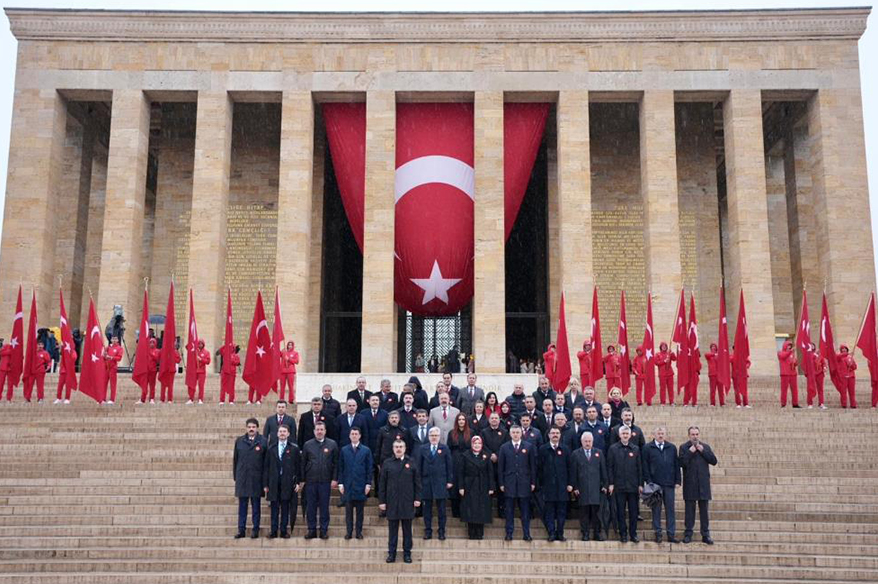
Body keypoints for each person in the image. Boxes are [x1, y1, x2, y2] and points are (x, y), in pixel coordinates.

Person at [379, 439, 420, 563]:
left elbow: (417, 483)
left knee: (407, 531)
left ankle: (407, 553)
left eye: (401, 446)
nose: (398, 449)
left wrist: (417, 498)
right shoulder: (387, 463)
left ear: (405, 448)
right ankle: (392, 554)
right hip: (392, 501)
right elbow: (382, 484)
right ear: (393, 449)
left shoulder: (411, 462)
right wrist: (382, 501)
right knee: (393, 531)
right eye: (396, 446)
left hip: (407, 501)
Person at [642, 426, 681, 543]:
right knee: (656, 510)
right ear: (654, 435)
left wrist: (678, 480)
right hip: (655, 485)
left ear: (665, 435)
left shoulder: (672, 447)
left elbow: (676, 465)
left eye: (662, 433)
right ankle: (658, 533)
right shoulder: (647, 448)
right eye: (658, 433)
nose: (660, 435)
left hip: (669, 484)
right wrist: (648, 481)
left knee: (670, 509)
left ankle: (671, 534)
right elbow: (645, 465)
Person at [679, 426, 717, 544]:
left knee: (704, 511)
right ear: (689, 435)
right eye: (692, 434)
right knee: (689, 511)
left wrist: (702, 451)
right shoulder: (684, 447)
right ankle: (688, 534)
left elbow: (713, 461)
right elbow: (681, 463)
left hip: (703, 483)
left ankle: (705, 534)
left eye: (696, 434)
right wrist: (690, 452)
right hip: (690, 483)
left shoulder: (705, 446)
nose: (695, 436)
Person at [300, 421, 338, 540]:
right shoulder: (307, 445)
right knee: (310, 506)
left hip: (325, 481)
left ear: (325, 431)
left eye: (322, 429)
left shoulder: (332, 444)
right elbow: (303, 463)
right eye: (317, 429)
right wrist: (302, 479)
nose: (319, 431)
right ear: (314, 431)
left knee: (324, 507)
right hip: (310, 481)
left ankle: (323, 530)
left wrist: (334, 478)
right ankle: (311, 529)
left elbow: (336, 463)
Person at [498, 425, 536, 541]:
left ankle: (526, 533)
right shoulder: (504, 447)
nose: (515, 434)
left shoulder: (528, 447)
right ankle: (509, 533)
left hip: (524, 483)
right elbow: (500, 467)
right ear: (510, 434)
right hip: (509, 483)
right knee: (509, 511)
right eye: (513, 432)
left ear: (521, 434)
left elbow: (533, 466)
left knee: (525, 511)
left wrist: (533, 482)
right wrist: (501, 483)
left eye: (517, 432)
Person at [263, 424, 301, 539]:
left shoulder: (294, 448)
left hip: (287, 482)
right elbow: (266, 467)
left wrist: (298, 482)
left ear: (288, 434)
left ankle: (284, 530)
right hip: (274, 482)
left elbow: (298, 467)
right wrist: (265, 484)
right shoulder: (271, 448)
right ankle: (273, 530)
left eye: (285, 431)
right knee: (274, 508)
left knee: (285, 507)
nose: (282, 433)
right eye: (280, 431)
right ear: (277, 433)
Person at [607, 425, 643, 543]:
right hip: (619, 486)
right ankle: (623, 534)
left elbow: (639, 468)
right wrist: (611, 483)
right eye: (623, 434)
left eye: (627, 434)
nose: (625, 436)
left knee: (633, 512)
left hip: (633, 486)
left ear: (630, 435)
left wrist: (640, 484)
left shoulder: (636, 449)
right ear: (620, 435)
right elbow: (610, 467)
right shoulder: (613, 448)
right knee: (621, 512)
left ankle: (633, 534)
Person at [233, 418, 267, 539]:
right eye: (249, 427)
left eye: (253, 427)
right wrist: (236, 477)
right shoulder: (239, 441)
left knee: (256, 506)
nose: (251, 429)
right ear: (246, 428)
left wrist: (265, 480)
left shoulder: (263, 441)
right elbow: (235, 460)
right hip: (242, 477)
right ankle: (241, 529)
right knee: (242, 506)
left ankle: (255, 529)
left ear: (257, 428)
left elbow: (266, 462)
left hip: (256, 478)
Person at [456, 434, 494, 540]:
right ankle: (471, 532)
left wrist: (491, 487)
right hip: (469, 485)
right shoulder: (465, 455)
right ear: (471, 444)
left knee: (481, 510)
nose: (477, 445)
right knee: (470, 509)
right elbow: (461, 472)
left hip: (483, 485)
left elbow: (490, 473)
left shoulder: (486, 456)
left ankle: (480, 532)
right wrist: (461, 487)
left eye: (479, 443)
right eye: (475, 443)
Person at [571, 432, 608, 541]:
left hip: (596, 488)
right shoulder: (576, 454)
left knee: (596, 513)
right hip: (582, 489)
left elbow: (603, 470)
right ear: (581, 442)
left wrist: (605, 484)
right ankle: (585, 533)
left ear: (592, 441)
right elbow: (573, 472)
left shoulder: (599, 453)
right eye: (585, 441)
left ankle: (597, 533)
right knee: (584, 513)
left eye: (589, 441)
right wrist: (575, 487)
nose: (587, 443)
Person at [337, 427, 373, 540]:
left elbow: (369, 468)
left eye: (356, 434)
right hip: (348, 485)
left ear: (360, 436)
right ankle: (349, 531)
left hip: (361, 485)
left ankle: (358, 532)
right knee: (348, 512)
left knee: (360, 512)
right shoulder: (344, 450)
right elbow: (341, 467)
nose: (354, 436)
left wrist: (368, 483)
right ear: (349, 436)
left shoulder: (366, 450)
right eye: (352, 434)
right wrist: (340, 483)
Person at [418, 427, 453, 540]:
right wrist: (419, 482)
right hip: (426, 482)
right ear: (428, 437)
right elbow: (419, 466)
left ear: (439, 437)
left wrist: (449, 480)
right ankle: (428, 531)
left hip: (440, 482)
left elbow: (449, 466)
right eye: (432, 435)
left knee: (441, 510)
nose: (434, 437)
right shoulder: (423, 448)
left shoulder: (445, 448)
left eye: (436, 435)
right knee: (427, 509)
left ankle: (441, 531)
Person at [537, 427, 571, 541]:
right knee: (549, 512)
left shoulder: (565, 449)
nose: (555, 435)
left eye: (557, 433)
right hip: (548, 487)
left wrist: (570, 484)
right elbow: (539, 468)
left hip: (562, 487)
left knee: (562, 512)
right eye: (553, 433)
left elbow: (569, 468)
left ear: (560, 435)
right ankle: (551, 533)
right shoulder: (543, 449)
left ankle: (560, 533)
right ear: (549, 435)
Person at [447, 413, 471, 518]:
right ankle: (455, 511)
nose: (461, 421)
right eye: (459, 419)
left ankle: (464, 511)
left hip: (467, 460)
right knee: (455, 485)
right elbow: (449, 448)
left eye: (463, 419)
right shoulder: (452, 433)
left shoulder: (471, 432)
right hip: (455, 460)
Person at [777, 340, 800, 408]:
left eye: (790, 346)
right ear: (785, 346)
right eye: (788, 346)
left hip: (793, 374)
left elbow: (795, 363)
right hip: (785, 374)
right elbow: (784, 356)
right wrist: (790, 352)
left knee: (795, 390)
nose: (789, 347)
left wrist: (797, 361)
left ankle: (795, 403)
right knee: (784, 390)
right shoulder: (780, 353)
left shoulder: (792, 355)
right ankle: (783, 404)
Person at [103, 336, 123, 404]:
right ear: (111, 340)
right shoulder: (107, 347)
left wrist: (111, 357)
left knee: (113, 384)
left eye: (115, 339)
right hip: (106, 368)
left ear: (117, 340)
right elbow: (103, 357)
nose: (114, 340)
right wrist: (104, 355)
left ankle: (112, 399)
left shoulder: (119, 348)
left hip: (113, 368)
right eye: (113, 339)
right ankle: (103, 398)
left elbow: (119, 358)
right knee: (104, 384)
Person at [190, 339, 210, 405]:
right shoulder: (195, 352)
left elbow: (208, 361)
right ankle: (191, 399)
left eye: (201, 344)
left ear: (203, 344)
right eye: (199, 344)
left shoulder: (206, 352)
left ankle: (200, 399)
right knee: (192, 386)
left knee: (201, 386)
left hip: (202, 372)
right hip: (195, 371)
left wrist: (201, 359)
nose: (200, 345)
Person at [808, 342, 827, 409]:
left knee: (820, 389)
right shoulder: (808, 354)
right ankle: (810, 403)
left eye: (813, 345)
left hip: (820, 373)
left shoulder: (819, 355)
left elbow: (823, 363)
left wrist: (824, 367)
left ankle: (821, 403)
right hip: (812, 374)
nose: (812, 346)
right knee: (810, 388)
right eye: (810, 345)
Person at [145, 337, 159, 404]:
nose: (152, 344)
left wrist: (150, 353)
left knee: (152, 385)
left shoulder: (157, 351)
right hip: (146, 370)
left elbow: (157, 359)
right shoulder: (146, 350)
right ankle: (143, 398)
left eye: (153, 342)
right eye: (150, 342)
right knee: (144, 385)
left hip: (153, 370)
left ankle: (152, 398)